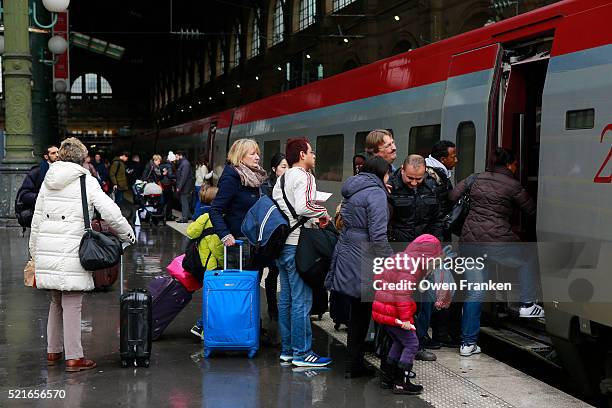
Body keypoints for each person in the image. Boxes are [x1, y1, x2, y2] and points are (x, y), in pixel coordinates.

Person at [29, 137, 134, 372]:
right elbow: (110, 212)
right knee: (73, 302)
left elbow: (37, 218)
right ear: (81, 159)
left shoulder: (49, 180)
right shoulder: (86, 180)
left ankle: (53, 351)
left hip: (48, 249)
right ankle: (75, 357)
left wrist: (34, 252)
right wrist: (128, 234)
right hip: (72, 250)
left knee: (56, 301)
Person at [450, 147, 542, 357]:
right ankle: (527, 304)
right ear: (510, 164)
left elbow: (452, 195)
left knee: (475, 292)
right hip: (496, 242)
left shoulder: (475, 178)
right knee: (527, 257)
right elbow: (531, 211)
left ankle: (467, 343)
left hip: (470, 241)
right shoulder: (512, 185)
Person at [326, 156, 394, 378]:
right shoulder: (375, 193)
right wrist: (392, 260)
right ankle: (369, 365)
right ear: (381, 173)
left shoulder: (353, 188)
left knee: (358, 312)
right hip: (366, 258)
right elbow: (378, 235)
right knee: (371, 313)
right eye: (388, 174)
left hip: (349, 251)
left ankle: (353, 363)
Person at [272, 137, 332, 368]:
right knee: (301, 301)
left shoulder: (283, 177)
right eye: (311, 152)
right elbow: (304, 206)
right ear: (301, 155)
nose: (314, 156)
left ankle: (288, 350)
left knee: (286, 299)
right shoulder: (305, 176)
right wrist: (323, 213)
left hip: (283, 245)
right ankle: (303, 352)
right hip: (298, 245)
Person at [388, 154, 444, 362]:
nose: (413, 183)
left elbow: (437, 220)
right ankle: (396, 343)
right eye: (410, 178)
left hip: (423, 255)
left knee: (423, 299)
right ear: (402, 170)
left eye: (418, 179)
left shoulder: (431, 187)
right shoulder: (390, 188)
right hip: (399, 253)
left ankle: (417, 341)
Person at [372, 234, 443, 395]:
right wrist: (405, 320)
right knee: (412, 343)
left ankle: (388, 378)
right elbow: (402, 294)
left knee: (399, 342)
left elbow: (379, 278)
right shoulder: (411, 266)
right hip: (395, 314)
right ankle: (401, 382)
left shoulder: (400, 258)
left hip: (384, 311)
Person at [425, 140, 460, 349]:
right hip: (436, 242)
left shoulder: (434, 173)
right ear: (442, 158)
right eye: (453, 156)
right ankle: (439, 333)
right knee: (442, 285)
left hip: (431, 240)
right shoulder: (438, 180)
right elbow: (438, 215)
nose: (456, 159)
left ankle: (436, 332)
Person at [209, 139, 266, 248]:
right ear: (240, 156)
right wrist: (225, 235)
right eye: (253, 154)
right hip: (239, 242)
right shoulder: (231, 178)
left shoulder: (256, 177)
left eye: (258, 154)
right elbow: (215, 210)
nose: (257, 157)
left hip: (256, 241)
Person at [187, 186, 223, 340]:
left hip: (204, 264)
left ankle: (201, 326)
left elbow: (190, 232)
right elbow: (216, 247)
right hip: (213, 266)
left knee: (211, 298)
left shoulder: (202, 216)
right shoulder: (213, 217)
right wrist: (225, 262)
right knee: (215, 299)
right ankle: (202, 327)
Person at [259, 152, 289, 321]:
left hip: (283, 236)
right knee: (267, 272)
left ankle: (275, 307)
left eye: (288, 167)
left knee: (276, 270)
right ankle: (269, 307)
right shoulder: (266, 187)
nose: (286, 170)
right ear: (274, 168)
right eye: (283, 167)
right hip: (269, 236)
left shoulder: (290, 184)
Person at [17, 145, 59, 216]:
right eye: (53, 153)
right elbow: (24, 194)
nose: (57, 155)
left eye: (58, 152)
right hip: (40, 211)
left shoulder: (64, 170)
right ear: (46, 157)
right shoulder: (36, 172)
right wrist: (41, 198)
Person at [175, 151, 195, 223]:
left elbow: (184, 177)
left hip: (185, 187)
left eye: (177, 156)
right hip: (185, 187)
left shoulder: (185, 164)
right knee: (184, 201)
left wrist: (179, 187)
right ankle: (189, 215)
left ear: (180, 155)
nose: (176, 158)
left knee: (184, 202)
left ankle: (184, 218)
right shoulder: (183, 163)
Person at [193, 154, 214, 218]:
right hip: (201, 185)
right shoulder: (203, 167)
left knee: (197, 201)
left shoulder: (197, 166)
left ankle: (195, 214)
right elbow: (205, 177)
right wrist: (212, 173)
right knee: (200, 201)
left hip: (197, 184)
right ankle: (196, 215)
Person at [160, 152, 177, 221]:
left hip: (162, 184)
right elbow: (170, 175)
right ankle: (168, 216)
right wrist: (177, 175)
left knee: (164, 201)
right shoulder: (169, 165)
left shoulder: (161, 165)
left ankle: (160, 214)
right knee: (169, 201)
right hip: (168, 184)